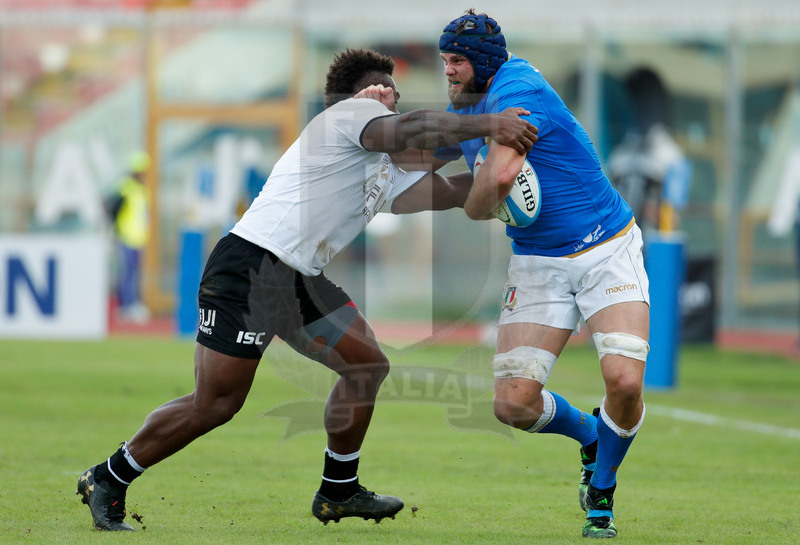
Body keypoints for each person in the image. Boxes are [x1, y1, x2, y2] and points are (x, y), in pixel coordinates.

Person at [76, 47, 538, 532]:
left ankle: (338, 490)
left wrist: (510, 170)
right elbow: (410, 131)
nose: (394, 102)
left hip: (296, 279)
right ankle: (107, 478)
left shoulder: (380, 166)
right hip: (251, 267)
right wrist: (490, 125)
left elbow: (451, 191)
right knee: (216, 403)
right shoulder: (350, 114)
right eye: (391, 93)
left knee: (366, 366)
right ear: (370, 92)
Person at [430, 11, 650, 539]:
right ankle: (591, 435)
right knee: (511, 405)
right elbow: (415, 157)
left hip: (606, 249)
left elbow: (501, 176)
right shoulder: (467, 109)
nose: (449, 72)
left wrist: (476, 205)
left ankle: (602, 487)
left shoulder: (517, 88)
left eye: (457, 61)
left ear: (483, 61)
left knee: (623, 380)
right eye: (444, 62)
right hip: (536, 262)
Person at [107, 151, 151, 323]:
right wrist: (116, 231)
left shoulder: (138, 188)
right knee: (127, 274)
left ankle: (131, 304)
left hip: (137, 239)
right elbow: (113, 210)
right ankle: (126, 306)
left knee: (133, 273)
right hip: (127, 238)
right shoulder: (125, 187)